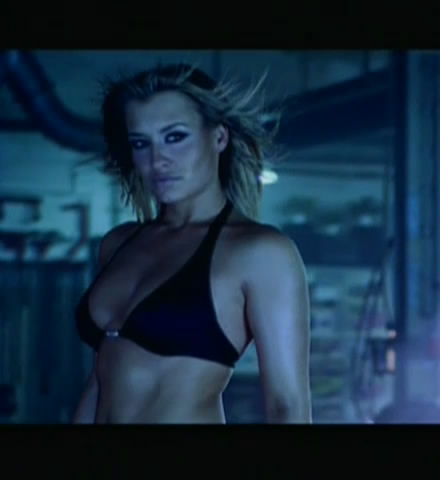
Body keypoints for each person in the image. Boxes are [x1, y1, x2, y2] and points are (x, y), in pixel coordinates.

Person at [72, 63, 312, 424]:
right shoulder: (118, 244)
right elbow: (101, 378)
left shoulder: (260, 252)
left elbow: (288, 405)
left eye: (175, 137)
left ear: (219, 137)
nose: (158, 160)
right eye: (141, 143)